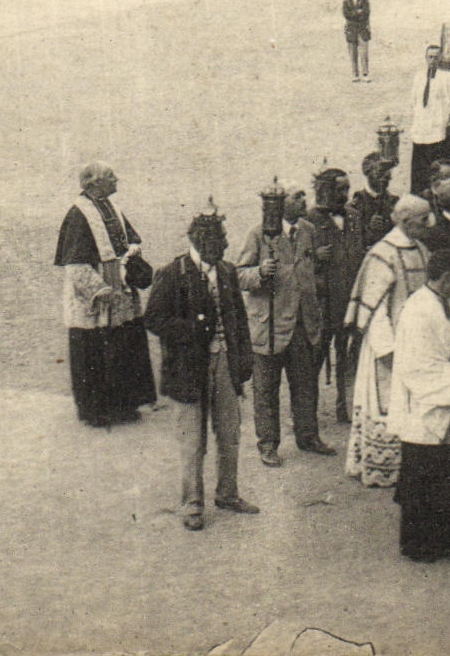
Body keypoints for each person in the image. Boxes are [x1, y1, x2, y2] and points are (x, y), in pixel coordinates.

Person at [143, 203, 259, 531]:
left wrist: (242, 362)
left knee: (229, 430)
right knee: (193, 438)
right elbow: (153, 319)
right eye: (215, 244)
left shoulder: (226, 271)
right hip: (188, 368)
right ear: (197, 242)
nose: (221, 249)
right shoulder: (172, 273)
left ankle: (228, 493)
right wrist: (192, 330)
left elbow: (238, 318)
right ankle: (192, 503)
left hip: (224, 362)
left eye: (222, 242)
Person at [236, 187, 336, 467]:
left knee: (305, 385)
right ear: (280, 205)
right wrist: (258, 273)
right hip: (269, 326)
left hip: (303, 324)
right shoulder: (258, 234)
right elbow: (239, 274)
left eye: (304, 196)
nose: (304, 201)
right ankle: (268, 444)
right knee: (266, 388)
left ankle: (308, 436)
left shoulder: (308, 230)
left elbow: (311, 272)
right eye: (297, 196)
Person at [53, 162, 157, 427]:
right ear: (94, 183)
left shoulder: (114, 209)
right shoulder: (78, 215)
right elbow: (74, 264)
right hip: (96, 297)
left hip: (120, 289)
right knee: (95, 351)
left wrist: (132, 256)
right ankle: (96, 411)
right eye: (111, 177)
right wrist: (100, 290)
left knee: (123, 345)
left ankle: (125, 405)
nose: (116, 179)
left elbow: (132, 240)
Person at [390, 248, 450, 561]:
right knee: (422, 476)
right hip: (425, 399)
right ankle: (419, 545)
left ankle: (447, 539)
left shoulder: (445, 303)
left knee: (445, 475)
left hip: (442, 393)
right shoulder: (417, 309)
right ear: (444, 276)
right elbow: (415, 362)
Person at [344, 194, 431, 487]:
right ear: (406, 222)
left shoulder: (420, 249)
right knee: (386, 402)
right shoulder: (383, 254)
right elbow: (375, 308)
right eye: (423, 219)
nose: (428, 223)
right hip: (388, 345)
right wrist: (387, 348)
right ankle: (382, 465)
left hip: (416, 343)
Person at [309, 168, 361, 423]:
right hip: (323, 303)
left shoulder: (354, 217)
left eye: (347, 188)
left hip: (348, 301)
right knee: (315, 358)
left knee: (347, 357)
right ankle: (307, 413)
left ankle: (345, 406)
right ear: (325, 190)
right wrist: (314, 257)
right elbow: (296, 261)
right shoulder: (308, 220)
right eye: (340, 189)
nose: (345, 194)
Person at [410, 46, 450, 195]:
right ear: (426, 58)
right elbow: (414, 100)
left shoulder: (447, 77)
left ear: (440, 59)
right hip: (420, 129)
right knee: (419, 169)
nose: (432, 60)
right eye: (430, 57)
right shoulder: (419, 76)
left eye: (436, 57)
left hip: (438, 130)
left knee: (436, 167)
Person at [342, 0, 371, 82]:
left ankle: (365, 73)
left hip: (362, 28)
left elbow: (366, 12)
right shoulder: (346, 2)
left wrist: (354, 14)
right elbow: (346, 14)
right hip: (351, 29)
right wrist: (358, 12)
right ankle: (355, 74)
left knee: (364, 52)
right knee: (353, 52)